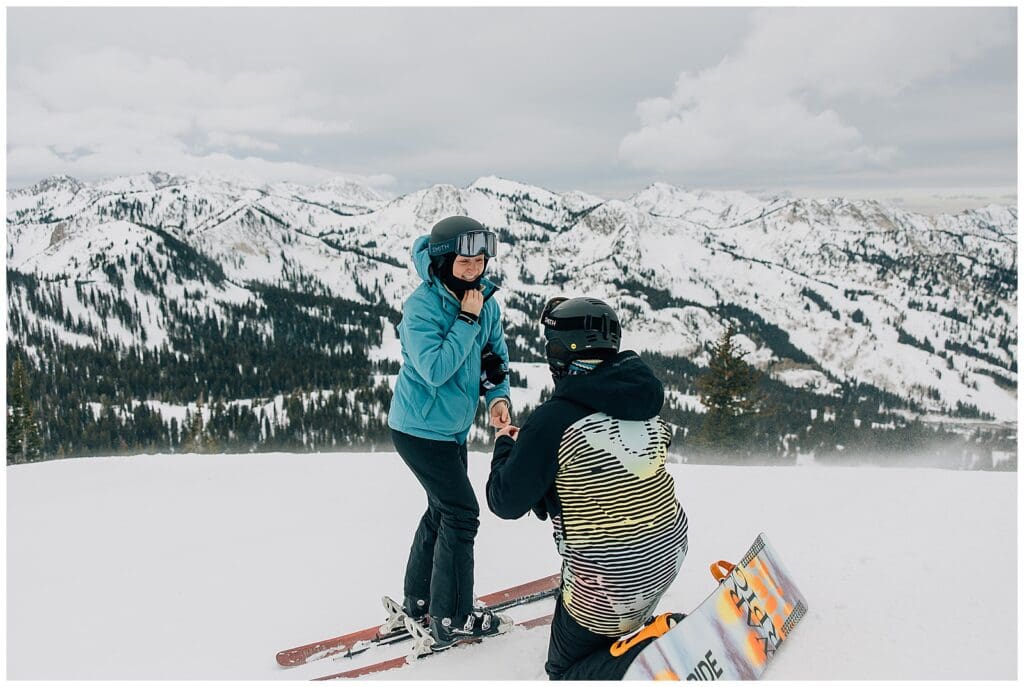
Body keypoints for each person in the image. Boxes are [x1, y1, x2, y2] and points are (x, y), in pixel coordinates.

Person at [486, 296, 688, 680]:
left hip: (612, 579)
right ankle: (633, 630)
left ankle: (656, 645)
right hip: (668, 555)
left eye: (551, 346)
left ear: (565, 353)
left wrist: (506, 443)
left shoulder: (553, 420)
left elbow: (505, 500)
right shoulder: (642, 402)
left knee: (565, 670)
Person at [387, 215, 515, 651]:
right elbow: (437, 370)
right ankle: (452, 616)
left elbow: (495, 359)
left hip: (452, 431)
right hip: (419, 430)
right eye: (465, 263)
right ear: (442, 262)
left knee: (443, 511)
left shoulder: (486, 301)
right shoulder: (421, 307)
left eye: (480, 261)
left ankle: (419, 601)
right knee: (462, 514)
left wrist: (498, 399)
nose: (474, 270)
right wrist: (465, 318)